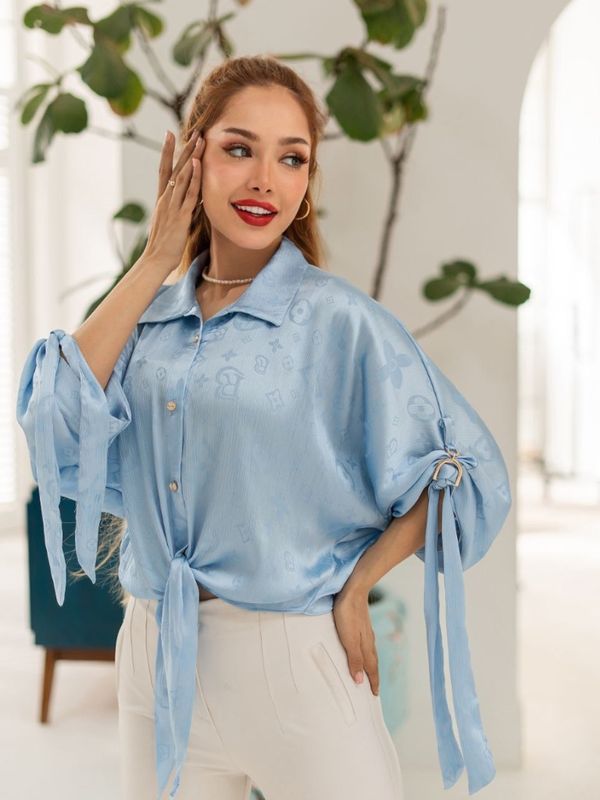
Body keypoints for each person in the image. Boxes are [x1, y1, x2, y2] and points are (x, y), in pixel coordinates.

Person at [16, 55, 512, 800]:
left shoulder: (340, 322)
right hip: (155, 655)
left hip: (294, 661)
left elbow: (465, 471)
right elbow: (53, 426)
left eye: (292, 158)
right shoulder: (145, 320)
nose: (264, 181)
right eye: (240, 148)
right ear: (193, 157)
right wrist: (154, 260)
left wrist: (359, 586)